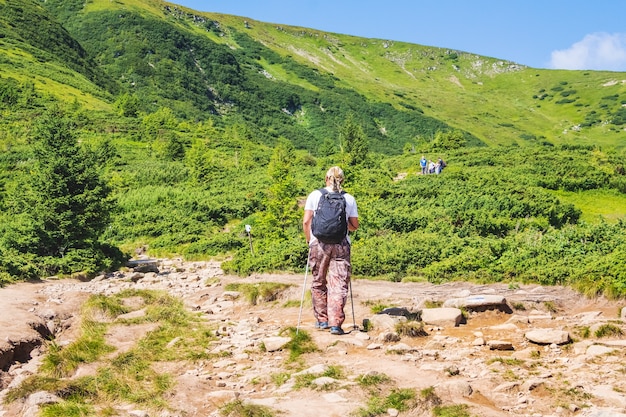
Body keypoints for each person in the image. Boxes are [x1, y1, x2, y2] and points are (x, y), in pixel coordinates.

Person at [302, 166, 359, 335]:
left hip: (318, 244)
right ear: (343, 180)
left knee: (319, 282)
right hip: (341, 244)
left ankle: (322, 321)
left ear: (326, 178)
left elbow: (306, 222)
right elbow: (354, 226)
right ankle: (336, 324)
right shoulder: (348, 198)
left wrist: (309, 240)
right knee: (339, 283)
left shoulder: (315, 195)